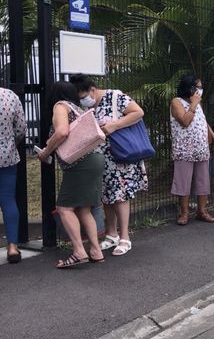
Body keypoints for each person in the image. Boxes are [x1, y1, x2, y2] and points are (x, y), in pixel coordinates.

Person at [69, 74, 148, 256]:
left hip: (120, 156)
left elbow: (138, 112)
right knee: (106, 195)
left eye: (83, 96)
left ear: (92, 89)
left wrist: (115, 125)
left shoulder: (115, 96)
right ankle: (111, 234)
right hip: (100, 158)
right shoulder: (88, 107)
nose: (83, 101)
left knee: (120, 196)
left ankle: (125, 237)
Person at [37, 82, 105, 268]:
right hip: (95, 159)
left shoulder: (60, 106)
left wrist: (46, 151)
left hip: (80, 163)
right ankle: (95, 250)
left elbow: (62, 132)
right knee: (84, 209)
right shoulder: (77, 108)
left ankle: (78, 251)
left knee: (64, 208)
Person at [170, 75, 214, 225]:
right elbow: (185, 121)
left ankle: (202, 210)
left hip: (201, 147)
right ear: (190, 88)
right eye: (198, 87)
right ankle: (184, 213)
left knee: (203, 180)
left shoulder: (197, 104)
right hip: (184, 149)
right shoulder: (176, 102)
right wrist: (193, 104)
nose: (200, 90)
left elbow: (203, 122)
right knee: (183, 182)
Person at [0, 87, 26, 264]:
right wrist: (10, 143)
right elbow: (21, 129)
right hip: (6, 156)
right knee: (8, 200)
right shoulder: (9, 95)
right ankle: (12, 247)